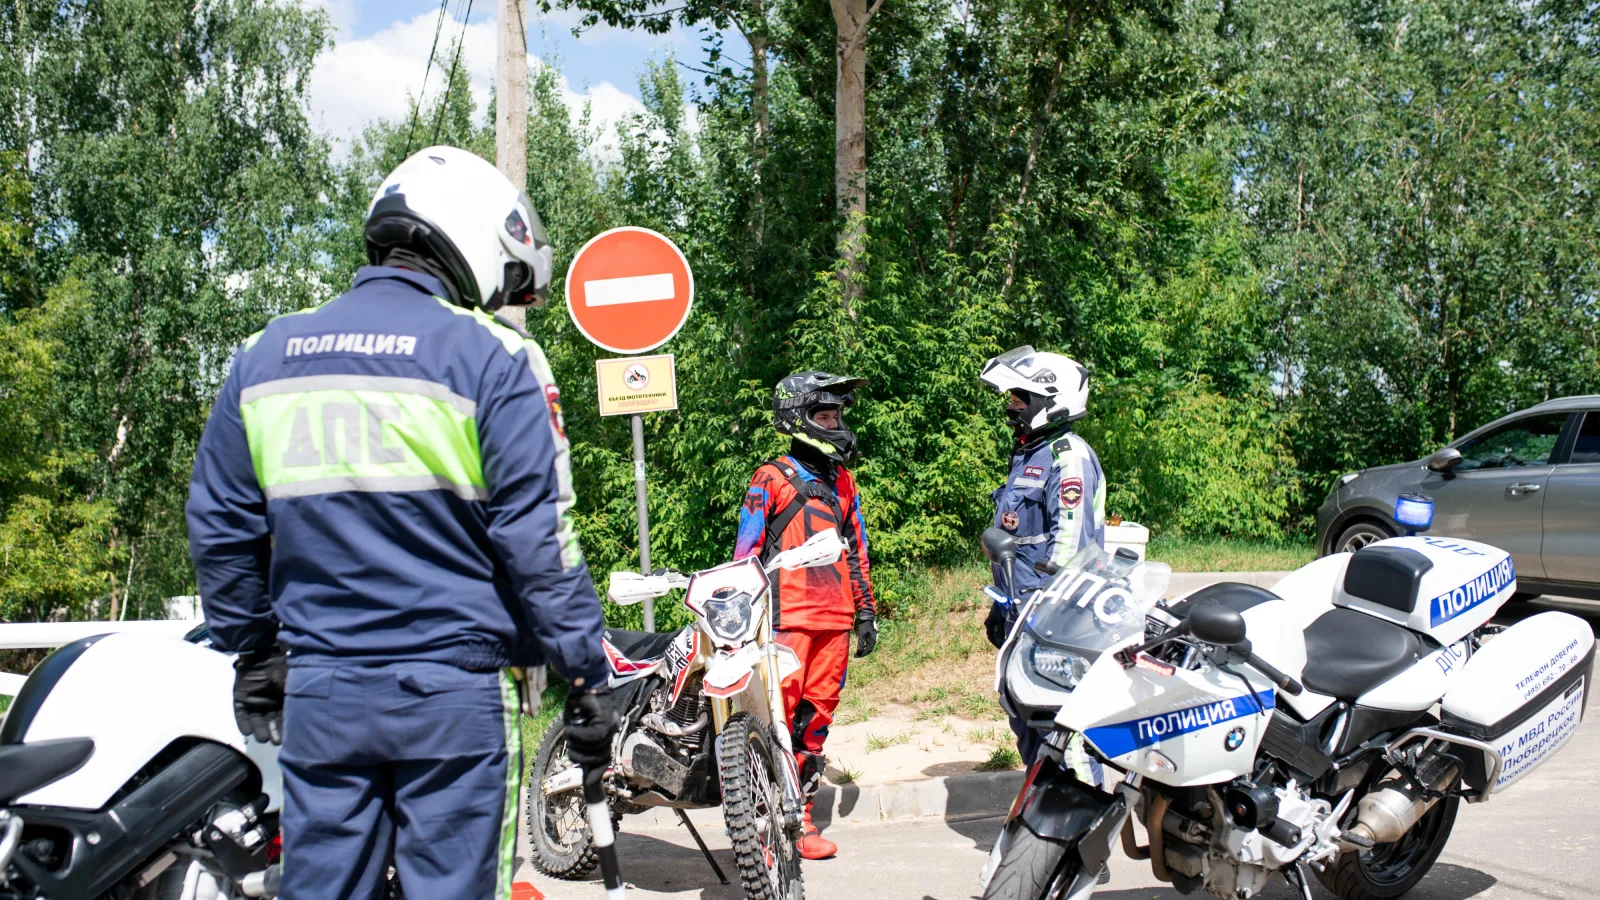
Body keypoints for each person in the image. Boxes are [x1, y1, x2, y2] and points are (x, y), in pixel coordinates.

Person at [187, 146, 618, 900]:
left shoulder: (263, 358)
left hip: (321, 691)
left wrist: (254, 653)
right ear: (476, 238)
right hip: (451, 698)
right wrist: (585, 675)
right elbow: (540, 542)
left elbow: (221, 526)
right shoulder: (493, 358)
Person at [733, 372, 879, 860]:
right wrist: (738, 611)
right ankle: (761, 826)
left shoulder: (843, 481)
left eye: (836, 415)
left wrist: (865, 613)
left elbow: (857, 550)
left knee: (814, 725)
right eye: (823, 415)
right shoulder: (769, 477)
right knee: (773, 721)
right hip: (783, 620)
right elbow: (745, 551)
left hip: (833, 622)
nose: (833, 423)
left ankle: (802, 821)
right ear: (797, 419)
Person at [978, 345, 1106, 764]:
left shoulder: (1066, 457)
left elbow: (1067, 553)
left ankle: (1064, 813)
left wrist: (1044, 621)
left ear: (1048, 402)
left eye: (1019, 397)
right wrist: (1003, 608)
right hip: (1023, 610)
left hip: (1053, 620)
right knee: (1022, 712)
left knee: (1052, 727)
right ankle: (1039, 806)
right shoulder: (1030, 454)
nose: (1011, 406)